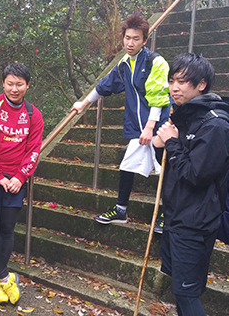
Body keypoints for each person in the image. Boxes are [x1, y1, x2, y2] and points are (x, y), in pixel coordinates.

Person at [152, 53, 229, 316]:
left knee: (187, 295)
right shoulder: (185, 117)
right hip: (177, 216)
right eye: (171, 81)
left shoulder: (215, 126)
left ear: (201, 84)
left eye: (182, 82)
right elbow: (173, 167)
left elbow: (196, 175)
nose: (174, 87)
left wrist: (172, 143)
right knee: (181, 291)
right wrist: (159, 147)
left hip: (195, 222)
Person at [71, 13, 171, 231]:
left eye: (136, 38)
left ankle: (167, 214)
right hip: (138, 127)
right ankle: (121, 210)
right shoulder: (125, 63)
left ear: (145, 40)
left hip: (159, 126)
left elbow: (159, 96)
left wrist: (150, 127)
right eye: (127, 38)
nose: (130, 43)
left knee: (166, 170)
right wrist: (84, 103)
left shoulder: (156, 62)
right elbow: (105, 85)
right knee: (127, 166)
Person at [0, 63, 44, 304]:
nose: (14, 89)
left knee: (7, 228)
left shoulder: (34, 115)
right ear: (3, 83)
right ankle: (5, 276)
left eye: (20, 84)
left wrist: (20, 177)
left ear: (27, 85)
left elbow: (34, 149)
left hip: (16, 179)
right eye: (10, 83)